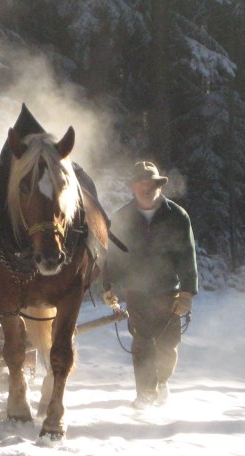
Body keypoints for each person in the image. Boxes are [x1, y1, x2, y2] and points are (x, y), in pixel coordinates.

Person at [103, 161, 198, 409]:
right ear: (133, 187)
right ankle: (145, 393)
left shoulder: (177, 216)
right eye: (141, 184)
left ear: (159, 185)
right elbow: (112, 256)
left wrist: (187, 293)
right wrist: (109, 285)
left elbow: (188, 256)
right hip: (136, 291)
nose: (147, 188)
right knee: (142, 341)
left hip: (169, 291)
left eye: (152, 184)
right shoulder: (122, 217)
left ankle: (162, 381)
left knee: (169, 346)